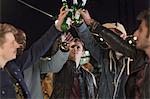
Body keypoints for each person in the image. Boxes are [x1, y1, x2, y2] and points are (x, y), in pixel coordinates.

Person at [77, 8, 150, 98]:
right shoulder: (106, 57)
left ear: (123, 36)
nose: (136, 34)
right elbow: (90, 42)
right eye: (106, 37)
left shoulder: (137, 59)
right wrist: (80, 24)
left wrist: (93, 23)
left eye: (112, 36)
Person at [0, 8, 69, 98]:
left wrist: (57, 28)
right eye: (12, 42)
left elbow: (36, 51)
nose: (18, 45)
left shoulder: (12, 67)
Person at [15, 28, 72, 99]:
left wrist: (64, 48)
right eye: (17, 40)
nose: (21, 44)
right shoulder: (3, 65)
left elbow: (53, 66)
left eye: (23, 41)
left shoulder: (33, 62)